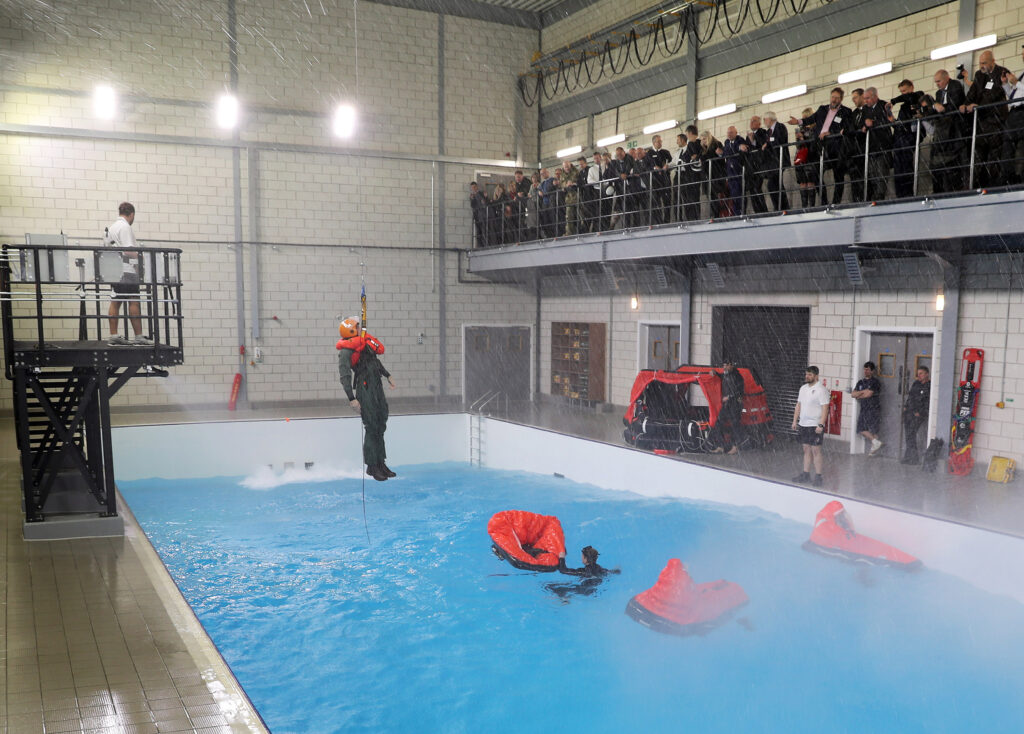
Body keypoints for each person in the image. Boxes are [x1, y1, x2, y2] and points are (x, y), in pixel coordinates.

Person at [337, 317, 396, 482]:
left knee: (381, 423)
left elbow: (375, 361)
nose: (359, 328)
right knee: (371, 425)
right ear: (350, 330)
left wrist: (387, 375)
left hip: (376, 386)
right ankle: (372, 466)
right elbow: (345, 376)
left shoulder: (364, 343)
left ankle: (380, 461)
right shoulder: (346, 351)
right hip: (365, 388)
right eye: (357, 326)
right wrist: (352, 398)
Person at [105, 202, 153, 346]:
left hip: (114, 270)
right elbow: (128, 250)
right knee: (134, 300)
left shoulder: (111, 228)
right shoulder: (125, 227)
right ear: (131, 214)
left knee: (116, 301)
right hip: (127, 270)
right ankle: (139, 336)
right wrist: (141, 259)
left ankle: (114, 335)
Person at [960, 50, 1010, 187]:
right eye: (980, 63)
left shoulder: (1002, 72)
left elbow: (995, 93)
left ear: (992, 61)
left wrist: (978, 106)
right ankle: (975, 188)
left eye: (984, 63)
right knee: (977, 159)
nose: (981, 65)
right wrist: (965, 104)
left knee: (994, 160)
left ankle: (993, 188)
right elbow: (973, 91)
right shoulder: (979, 75)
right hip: (981, 124)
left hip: (996, 122)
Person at [928, 69, 967, 193]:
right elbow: (935, 110)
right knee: (936, 163)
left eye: (939, 81)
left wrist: (941, 108)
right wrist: (935, 106)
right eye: (936, 82)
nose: (937, 84)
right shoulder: (938, 94)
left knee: (953, 164)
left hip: (955, 128)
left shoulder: (956, 86)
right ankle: (939, 190)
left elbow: (954, 105)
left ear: (946, 79)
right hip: (943, 130)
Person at [791, 365, 830, 487]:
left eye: (810, 375)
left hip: (815, 425)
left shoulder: (821, 390)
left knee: (816, 450)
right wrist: (794, 420)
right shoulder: (803, 388)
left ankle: (818, 476)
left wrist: (821, 424)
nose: (807, 376)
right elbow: (799, 405)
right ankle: (806, 474)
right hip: (804, 424)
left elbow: (825, 408)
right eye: (806, 374)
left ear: (816, 376)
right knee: (806, 449)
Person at [545, 545, 621, 602]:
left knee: (550, 587)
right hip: (594, 591)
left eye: (582, 556)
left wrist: (561, 557)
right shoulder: (600, 569)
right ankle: (566, 597)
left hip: (583, 591)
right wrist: (616, 570)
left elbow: (563, 570)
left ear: (585, 558)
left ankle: (565, 600)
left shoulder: (584, 571)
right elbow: (611, 572)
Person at [709, 360, 745, 454]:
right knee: (718, 423)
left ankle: (735, 447)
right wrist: (714, 372)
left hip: (735, 405)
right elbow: (721, 376)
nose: (724, 367)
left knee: (735, 425)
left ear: (731, 365)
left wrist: (728, 397)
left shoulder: (738, 376)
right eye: (723, 366)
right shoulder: (726, 374)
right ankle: (721, 446)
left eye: (726, 365)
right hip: (727, 405)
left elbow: (739, 391)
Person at [852, 361, 883, 455]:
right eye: (865, 369)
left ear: (872, 371)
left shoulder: (875, 382)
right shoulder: (860, 382)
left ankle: (874, 451)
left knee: (874, 429)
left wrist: (860, 393)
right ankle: (876, 442)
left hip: (873, 409)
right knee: (861, 428)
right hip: (864, 409)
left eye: (868, 370)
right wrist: (863, 392)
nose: (866, 371)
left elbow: (868, 394)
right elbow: (853, 394)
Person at [902, 366, 931, 465]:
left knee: (912, 432)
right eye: (918, 373)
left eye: (921, 373)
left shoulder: (929, 386)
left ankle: (914, 458)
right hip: (909, 412)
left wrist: (921, 412)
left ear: (927, 374)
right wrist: (906, 407)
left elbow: (927, 401)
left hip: (919, 414)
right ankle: (909, 456)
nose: (919, 375)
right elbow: (910, 396)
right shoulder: (916, 384)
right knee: (908, 434)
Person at [762, 112, 791, 210]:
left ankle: (783, 207)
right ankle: (779, 206)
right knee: (773, 185)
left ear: (770, 119)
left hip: (779, 160)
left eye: (765, 119)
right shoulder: (768, 132)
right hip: (772, 162)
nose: (764, 122)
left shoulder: (780, 127)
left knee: (775, 184)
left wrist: (768, 143)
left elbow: (780, 140)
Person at [469, 182, 488, 247]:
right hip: (477, 216)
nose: (473, 188)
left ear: (477, 187)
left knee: (484, 231)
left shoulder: (481, 193)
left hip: (483, 215)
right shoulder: (472, 196)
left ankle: (484, 244)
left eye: (474, 187)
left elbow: (485, 203)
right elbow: (472, 205)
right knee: (478, 232)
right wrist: (472, 199)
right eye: (472, 187)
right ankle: (479, 245)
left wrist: (485, 198)